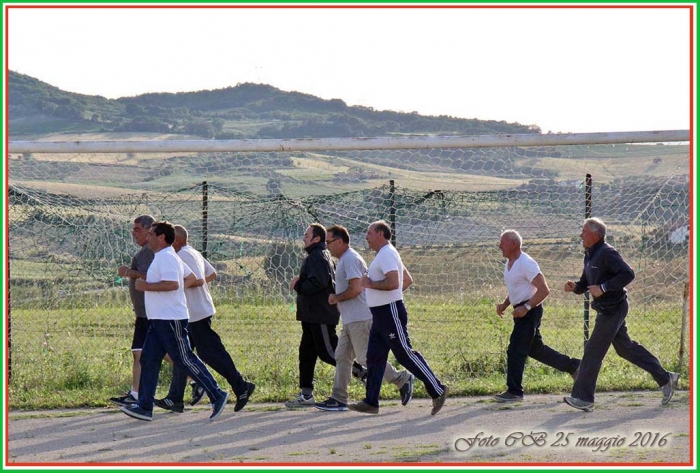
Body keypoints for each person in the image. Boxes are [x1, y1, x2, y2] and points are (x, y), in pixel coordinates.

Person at [563, 218, 679, 412]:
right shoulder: (590, 254)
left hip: (614, 308)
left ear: (595, 234)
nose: (580, 235)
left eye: (583, 231)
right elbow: (585, 282)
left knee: (593, 349)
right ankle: (666, 378)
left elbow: (628, 273)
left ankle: (584, 398)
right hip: (606, 308)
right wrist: (575, 287)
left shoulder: (607, 252)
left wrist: (603, 287)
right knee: (626, 349)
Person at [120, 221, 229, 421]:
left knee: (185, 359)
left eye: (152, 233)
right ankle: (144, 406)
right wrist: (172, 293)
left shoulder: (167, 257)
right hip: (159, 319)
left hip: (170, 319)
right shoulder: (165, 256)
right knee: (149, 360)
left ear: (162, 237)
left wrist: (146, 286)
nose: (148, 237)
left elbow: (173, 283)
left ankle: (217, 394)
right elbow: (192, 277)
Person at [348, 220, 448, 415]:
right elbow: (407, 279)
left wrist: (371, 285)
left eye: (369, 233)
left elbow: (394, 282)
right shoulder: (386, 254)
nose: (366, 238)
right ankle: (371, 401)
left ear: (380, 234)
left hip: (389, 312)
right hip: (381, 314)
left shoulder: (386, 254)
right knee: (374, 357)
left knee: (404, 354)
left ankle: (437, 389)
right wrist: (383, 296)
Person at [153, 225, 255, 414]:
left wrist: (175, 289)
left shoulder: (182, 255)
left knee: (209, 353)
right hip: (195, 311)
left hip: (196, 314)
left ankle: (241, 386)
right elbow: (212, 273)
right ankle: (175, 398)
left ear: (176, 240)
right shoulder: (193, 252)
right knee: (182, 355)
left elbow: (198, 279)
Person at [315, 225, 414, 412]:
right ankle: (338, 398)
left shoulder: (350, 259)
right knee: (342, 356)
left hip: (361, 318)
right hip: (350, 319)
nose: (327, 246)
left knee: (366, 358)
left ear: (340, 241)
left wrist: (336, 297)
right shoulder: (345, 259)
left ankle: (401, 378)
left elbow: (356, 288)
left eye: (329, 242)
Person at [285, 223, 366, 408]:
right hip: (311, 315)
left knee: (329, 353)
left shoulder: (318, 256)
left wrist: (298, 284)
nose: (303, 238)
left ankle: (363, 373)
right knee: (306, 353)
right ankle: (306, 394)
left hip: (320, 314)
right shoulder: (317, 255)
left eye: (307, 235)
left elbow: (319, 283)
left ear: (316, 238)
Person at [494, 230, 580, 402]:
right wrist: (505, 304)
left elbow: (544, 290)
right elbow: (516, 289)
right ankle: (575, 366)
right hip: (521, 311)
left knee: (515, 350)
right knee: (536, 350)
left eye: (502, 242)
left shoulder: (526, 263)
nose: (499, 246)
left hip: (530, 312)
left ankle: (514, 392)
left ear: (514, 244)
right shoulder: (510, 263)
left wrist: (526, 307)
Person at [110, 215, 155, 406]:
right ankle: (135, 395)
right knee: (138, 353)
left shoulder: (149, 252)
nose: (133, 233)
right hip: (142, 314)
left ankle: (199, 381)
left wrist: (128, 272)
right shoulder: (144, 252)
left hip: (152, 313)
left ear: (148, 230)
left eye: (137, 229)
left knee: (170, 355)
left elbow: (152, 277)